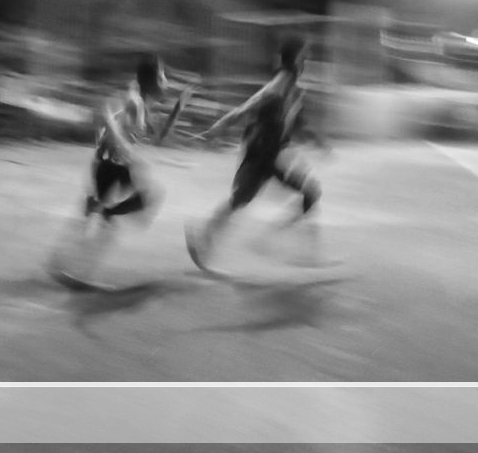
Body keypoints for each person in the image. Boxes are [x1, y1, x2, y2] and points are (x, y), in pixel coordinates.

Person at [185, 35, 329, 272]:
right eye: (304, 57)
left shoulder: (294, 90)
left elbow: (299, 123)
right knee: (240, 200)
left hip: (274, 155)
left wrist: (319, 141)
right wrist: (218, 127)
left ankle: (299, 250)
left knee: (310, 192)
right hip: (261, 154)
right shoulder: (277, 87)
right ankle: (205, 240)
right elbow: (245, 109)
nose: (306, 62)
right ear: (294, 61)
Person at [53, 52, 193, 285]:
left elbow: (159, 137)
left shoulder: (143, 102)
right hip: (109, 164)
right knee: (138, 202)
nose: (166, 82)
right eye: (162, 76)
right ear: (151, 81)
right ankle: (77, 270)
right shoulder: (134, 101)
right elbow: (110, 120)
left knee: (136, 202)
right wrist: (125, 146)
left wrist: (179, 107)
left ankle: (68, 261)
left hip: (117, 164)